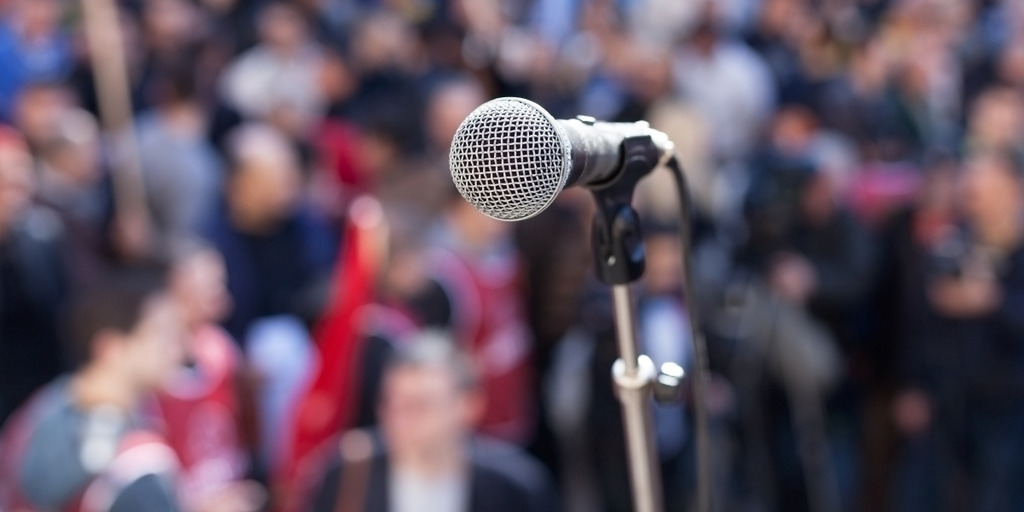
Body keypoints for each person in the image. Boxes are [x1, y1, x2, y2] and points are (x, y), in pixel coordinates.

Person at [894, 149, 1024, 512]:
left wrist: (992, 301)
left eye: (986, 185)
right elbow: (919, 323)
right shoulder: (949, 247)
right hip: (949, 400)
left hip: (1010, 406)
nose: (975, 194)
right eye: (971, 185)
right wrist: (914, 385)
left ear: (1014, 189)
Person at [0, 269, 185, 511]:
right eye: (162, 335)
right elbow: (35, 495)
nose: (179, 349)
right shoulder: (61, 421)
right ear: (110, 347)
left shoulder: (134, 409)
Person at [311, 331, 556, 512]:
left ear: (468, 406)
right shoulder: (348, 473)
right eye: (392, 403)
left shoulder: (516, 487)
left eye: (420, 405)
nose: (401, 418)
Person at [0, 125, 66, 425]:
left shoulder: (43, 236)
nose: (17, 186)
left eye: (21, 175)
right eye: (5, 180)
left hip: (43, 403)